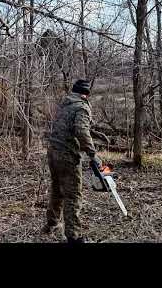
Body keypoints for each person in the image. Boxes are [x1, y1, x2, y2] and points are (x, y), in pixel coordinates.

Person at [43, 79, 102, 243]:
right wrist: (92, 154)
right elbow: (81, 130)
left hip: (52, 151)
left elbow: (68, 127)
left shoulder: (65, 103)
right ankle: (73, 236)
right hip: (66, 155)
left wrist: (96, 135)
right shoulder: (82, 107)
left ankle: (51, 223)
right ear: (85, 94)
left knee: (57, 190)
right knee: (73, 195)